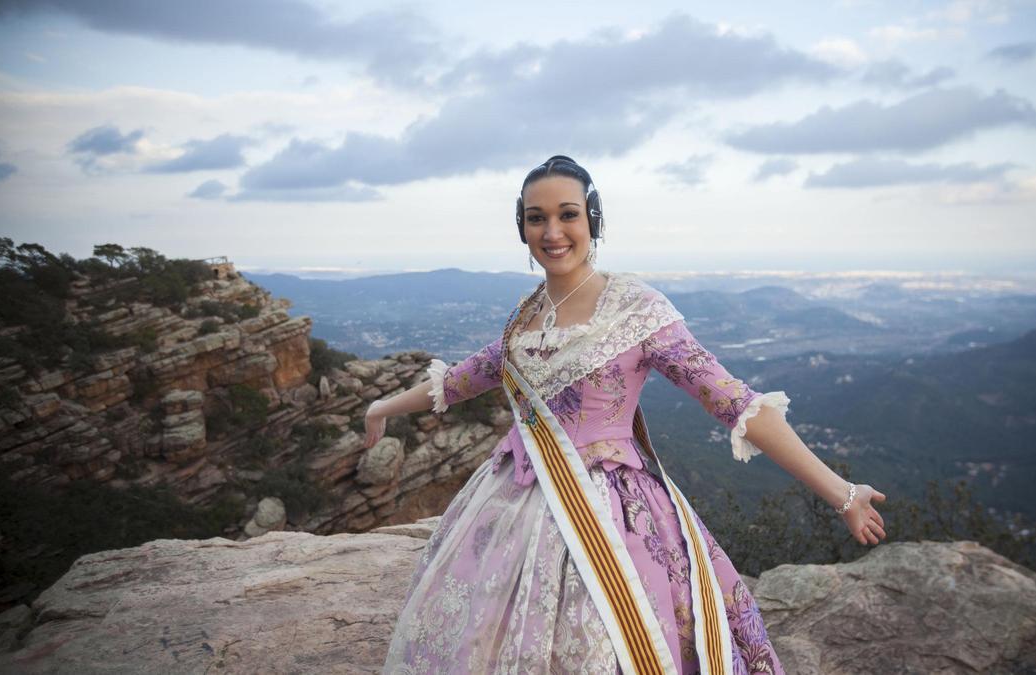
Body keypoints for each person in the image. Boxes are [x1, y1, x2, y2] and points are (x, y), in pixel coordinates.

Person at [368, 155, 887, 674]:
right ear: (520, 226)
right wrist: (382, 406)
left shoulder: (638, 309)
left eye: (568, 214)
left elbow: (735, 401)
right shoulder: (524, 315)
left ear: (593, 219)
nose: (552, 231)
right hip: (511, 498)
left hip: (614, 512)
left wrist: (842, 493)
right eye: (536, 217)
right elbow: (465, 378)